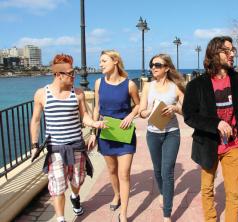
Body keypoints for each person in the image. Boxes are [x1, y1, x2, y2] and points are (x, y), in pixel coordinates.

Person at [182, 36, 238, 222]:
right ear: (214, 54)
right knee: (207, 189)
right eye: (227, 51)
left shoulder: (237, 79)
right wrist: (216, 123)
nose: (232, 54)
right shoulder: (196, 84)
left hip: (233, 145)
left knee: (234, 192)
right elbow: (189, 115)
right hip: (208, 145)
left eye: (232, 50)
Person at [30, 54, 106, 222]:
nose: (74, 76)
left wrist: (95, 124)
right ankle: (61, 218)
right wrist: (35, 144)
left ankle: (75, 196)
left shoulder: (77, 93)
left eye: (74, 72)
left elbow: (84, 116)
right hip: (55, 148)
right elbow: (35, 120)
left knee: (77, 180)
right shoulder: (42, 94)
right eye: (71, 73)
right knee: (57, 186)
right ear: (58, 74)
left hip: (77, 146)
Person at [87, 50, 140, 222]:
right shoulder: (98, 83)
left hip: (125, 134)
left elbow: (138, 106)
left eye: (104, 61)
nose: (100, 64)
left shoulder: (130, 84)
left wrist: (131, 116)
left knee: (124, 174)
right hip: (106, 133)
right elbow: (96, 109)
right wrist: (94, 133)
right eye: (100, 61)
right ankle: (116, 194)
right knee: (112, 170)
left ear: (115, 61)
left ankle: (123, 214)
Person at [138, 54, 184, 222]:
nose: (153, 67)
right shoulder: (148, 87)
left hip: (172, 133)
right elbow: (141, 112)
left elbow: (186, 110)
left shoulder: (175, 87)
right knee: (157, 170)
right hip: (153, 134)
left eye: (158, 64)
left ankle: (167, 214)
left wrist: (174, 108)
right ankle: (164, 192)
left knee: (168, 172)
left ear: (167, 68)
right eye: (152, 64)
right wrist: (150, 111)